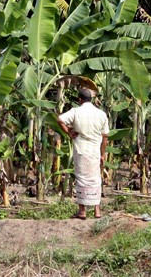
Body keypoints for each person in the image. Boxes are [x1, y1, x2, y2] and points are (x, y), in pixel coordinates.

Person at [57, 88, 110, 219]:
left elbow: (60, 119)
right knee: (95, 178)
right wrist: (102, 154)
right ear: (90, 99)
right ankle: (97, 211)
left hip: (81, 150)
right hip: (94, 151)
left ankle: (82, 211)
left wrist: (68, 131)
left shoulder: (76, 111)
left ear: (79, 99)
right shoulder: (101, 114)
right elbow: (105, 137)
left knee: (81, 178)